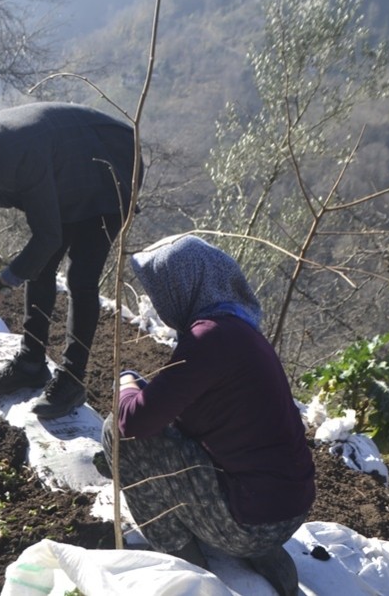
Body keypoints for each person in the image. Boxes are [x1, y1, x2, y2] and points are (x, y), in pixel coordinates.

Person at [102, 235, 314, 596]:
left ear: (181, 287)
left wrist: (126, 383)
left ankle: (184, 562)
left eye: (160, 289)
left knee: (116, 433)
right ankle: (267, 555)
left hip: (250, 522)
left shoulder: (207, 339)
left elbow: (133, 422)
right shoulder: (240, 330)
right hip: (290, 507)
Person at [0, 101, 140, 419]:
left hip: (109, 166)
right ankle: (31, 363)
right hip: (67, 169)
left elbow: (48, 237)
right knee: (41, 266)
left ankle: (71, 381)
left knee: (81, 278)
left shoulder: (18, 153)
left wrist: (2, 283)